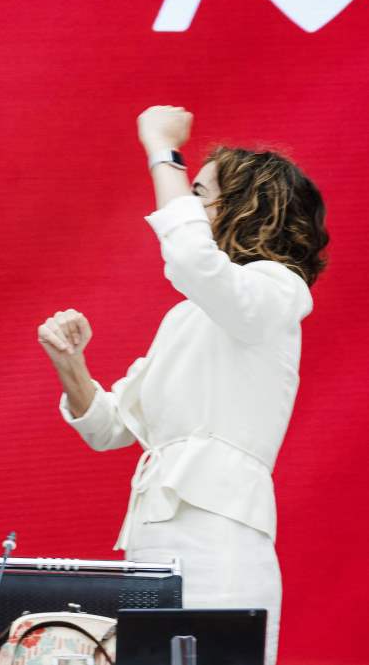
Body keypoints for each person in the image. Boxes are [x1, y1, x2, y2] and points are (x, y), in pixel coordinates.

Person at [36, 106, 328, 665]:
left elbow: (192, 257)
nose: (186, 206)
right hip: (154, 543)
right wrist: (71, 364)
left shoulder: (276, 289)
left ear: (243, 208)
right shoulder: (187, 317)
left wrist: (162, 149)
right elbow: (110, 427)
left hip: (220, 542)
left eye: (199, 193)